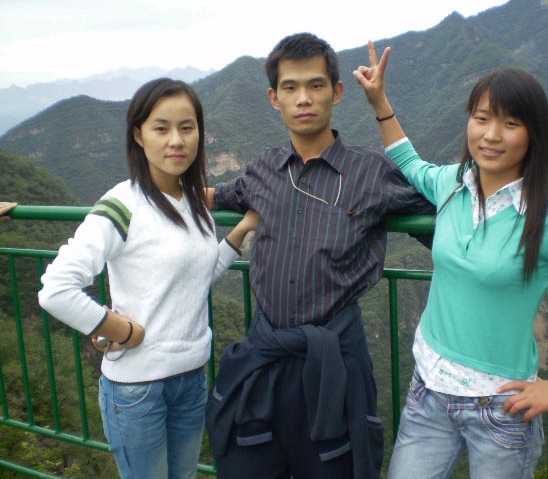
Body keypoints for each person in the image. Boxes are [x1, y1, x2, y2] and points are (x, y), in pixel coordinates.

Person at [352, 42, 548, 478]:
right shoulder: (452, 184)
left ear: (534, 134)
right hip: (428, 390)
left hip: (501, 409)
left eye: (510, 123)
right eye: (482, 118)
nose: (491, 135)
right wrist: (379, 102)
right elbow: (409, 160)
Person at [205, 33, 436, 479]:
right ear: (274, 98)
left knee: (335, 467)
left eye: (315, 85)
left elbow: (449, 213)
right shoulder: (264, 169)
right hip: (266, 351)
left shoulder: (371, 172)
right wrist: (141, 193)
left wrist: (528, 198)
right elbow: (214, 196)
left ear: (337, 91)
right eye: (290, 87)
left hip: (333, 359)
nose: (303, 98)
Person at [38, 78, 258, 479]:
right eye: (161, 128)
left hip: (191, 379)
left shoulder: (193, 203)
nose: (176, 140)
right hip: (137, 389)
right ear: (139, 135)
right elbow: (55, 289)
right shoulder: (122, 204)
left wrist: (240, 232)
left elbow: (197, 280)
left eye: (187, 128)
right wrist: (120, 329)